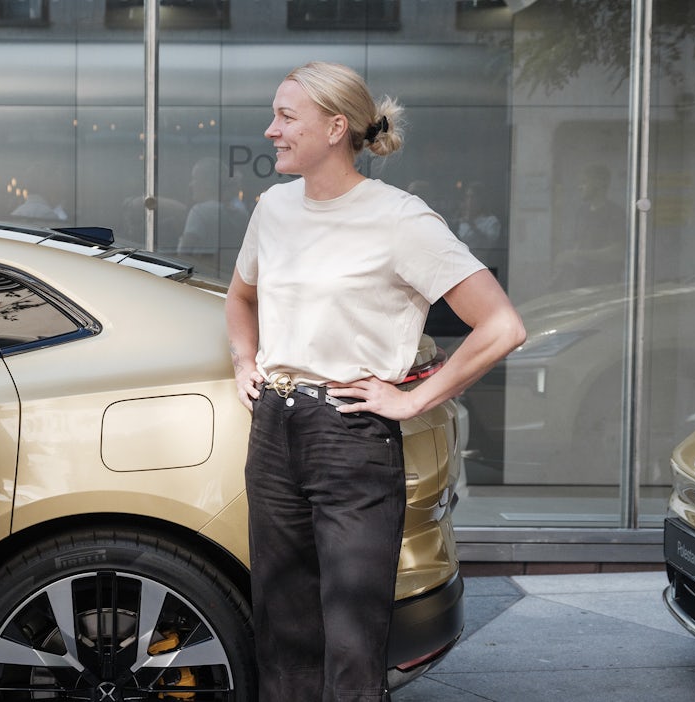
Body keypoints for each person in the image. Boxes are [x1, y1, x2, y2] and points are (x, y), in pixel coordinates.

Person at [224, 62, 524, 701]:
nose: (270, 130)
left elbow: (500, 326)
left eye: (286, 116)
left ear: (336, 127)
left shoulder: (400, 219)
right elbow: (239, 298)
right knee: (281, 633)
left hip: (352, 433)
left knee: (353, 642)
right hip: (274, 428)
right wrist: (244, 362)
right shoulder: (274, 207)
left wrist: (415, 397)